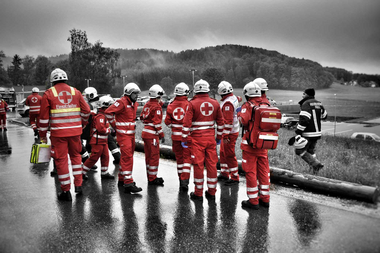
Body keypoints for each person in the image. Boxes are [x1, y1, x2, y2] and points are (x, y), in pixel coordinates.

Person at [39, 68, 91, 201]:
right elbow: (87, 111)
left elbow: (44, 119)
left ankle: (65, 191)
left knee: (61, 160)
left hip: (58, 134)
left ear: (52, 81)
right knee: (76, 157)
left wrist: (42, 135)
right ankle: (78, 186)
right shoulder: (76, 91)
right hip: (75, 132)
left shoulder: (49, 94)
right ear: (66, 79)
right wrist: (83, 123)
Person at [182, 79, 224, 201]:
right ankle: (212, 192)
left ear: (195, 90)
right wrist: (219, 138)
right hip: (210, 138)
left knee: (198, 165)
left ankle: (198, 193)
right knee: (212, 165)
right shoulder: (215, 103)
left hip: (196, 140)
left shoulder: (192, 104)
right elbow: (221, 123)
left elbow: (186, 124)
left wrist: (184, 138)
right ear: (208, 89)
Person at [237, 81, 271, 210]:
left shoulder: (248, 105)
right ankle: (265, 199)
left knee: (250, 171)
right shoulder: (266, 104)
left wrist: (239, 113)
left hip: (250, 146)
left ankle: (253, 201)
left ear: (247, 94)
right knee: (264, 171)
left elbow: (243, 120)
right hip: (263, 144)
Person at [105, 82, 142, 193]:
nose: (137, 96)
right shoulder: (122, 102)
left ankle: (122, 179)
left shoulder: (134, 104)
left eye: (137, 93)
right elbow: (108, 112)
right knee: (127, 158)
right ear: (128, 93)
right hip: (123, 135)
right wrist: (115, 125)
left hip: (131, 135)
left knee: (128, 157)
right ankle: (128, 182)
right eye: (134, 93)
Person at [164, 82, 191, 191]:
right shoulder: (189, 105)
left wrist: (174, 126)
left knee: (179, 160)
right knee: (187, 160)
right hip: (187, 138)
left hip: (176, 138)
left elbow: (167, 122)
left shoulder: (170, 105)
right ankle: (185, 181)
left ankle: (181, 180)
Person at [294, 88, 327, 173]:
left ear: (307, 94)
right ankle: (314, 171)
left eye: (304, 94)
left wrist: (298, 131)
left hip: (308, 133)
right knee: (310, 151)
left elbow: (304, 120)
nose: (302, 96)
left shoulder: (306, 104)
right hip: (317, 133)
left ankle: (316, 165)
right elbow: (324, 116)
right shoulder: (319, 103)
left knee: (299, 150)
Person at [82, 95, 115, 180]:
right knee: (93, 158)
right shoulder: (100, 116)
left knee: (105, 156)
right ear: (105, 106)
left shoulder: (104, 115)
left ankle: (104, 173)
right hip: (97, 141)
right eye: (110, 105)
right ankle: (82, 172)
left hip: (102, 141)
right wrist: (109, 130)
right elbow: (101, 129)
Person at [140, 84, 165, 186]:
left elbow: (142, 117)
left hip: (145, 133)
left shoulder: (147, 104)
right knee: (154, 157)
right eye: (160, 97)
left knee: (148, 157)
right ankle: (153, 178)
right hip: (152, 135)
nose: (161, 99)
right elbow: (157, 124)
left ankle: (149, 176)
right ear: (157, 96)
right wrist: (162, 135)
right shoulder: (157, 107)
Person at [217, 81, 241, 186]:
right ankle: (224, 173)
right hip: (230, 132)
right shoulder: (233, 98)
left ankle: (234, 177)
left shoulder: (227, 104)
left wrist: (225, 135)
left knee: (229, 154)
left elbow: (228, 122)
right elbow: (238, 99)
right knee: (223, 152)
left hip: (229, 133)